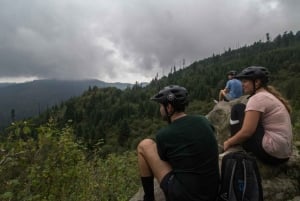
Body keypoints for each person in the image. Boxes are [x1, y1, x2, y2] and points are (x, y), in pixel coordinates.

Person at [137, 85, 219, 201]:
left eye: (161, 105)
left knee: (144, 145)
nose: (160, 109)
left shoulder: (164, 135)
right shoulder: (203, 120)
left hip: (185, 196)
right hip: (212, 192)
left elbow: (164, 161)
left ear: (169, 107)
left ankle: (149, 198)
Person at [224, 66, 293, 165]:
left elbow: (247, 132)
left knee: (238, 108)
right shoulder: (268, 95)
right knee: (244, 110)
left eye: (245, 81)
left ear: (256, 82)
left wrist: (228, 142)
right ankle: (236, 141)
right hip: (283, 155)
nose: (242, 85)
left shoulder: (257, 98)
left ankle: (235, 144)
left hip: (271, 154)